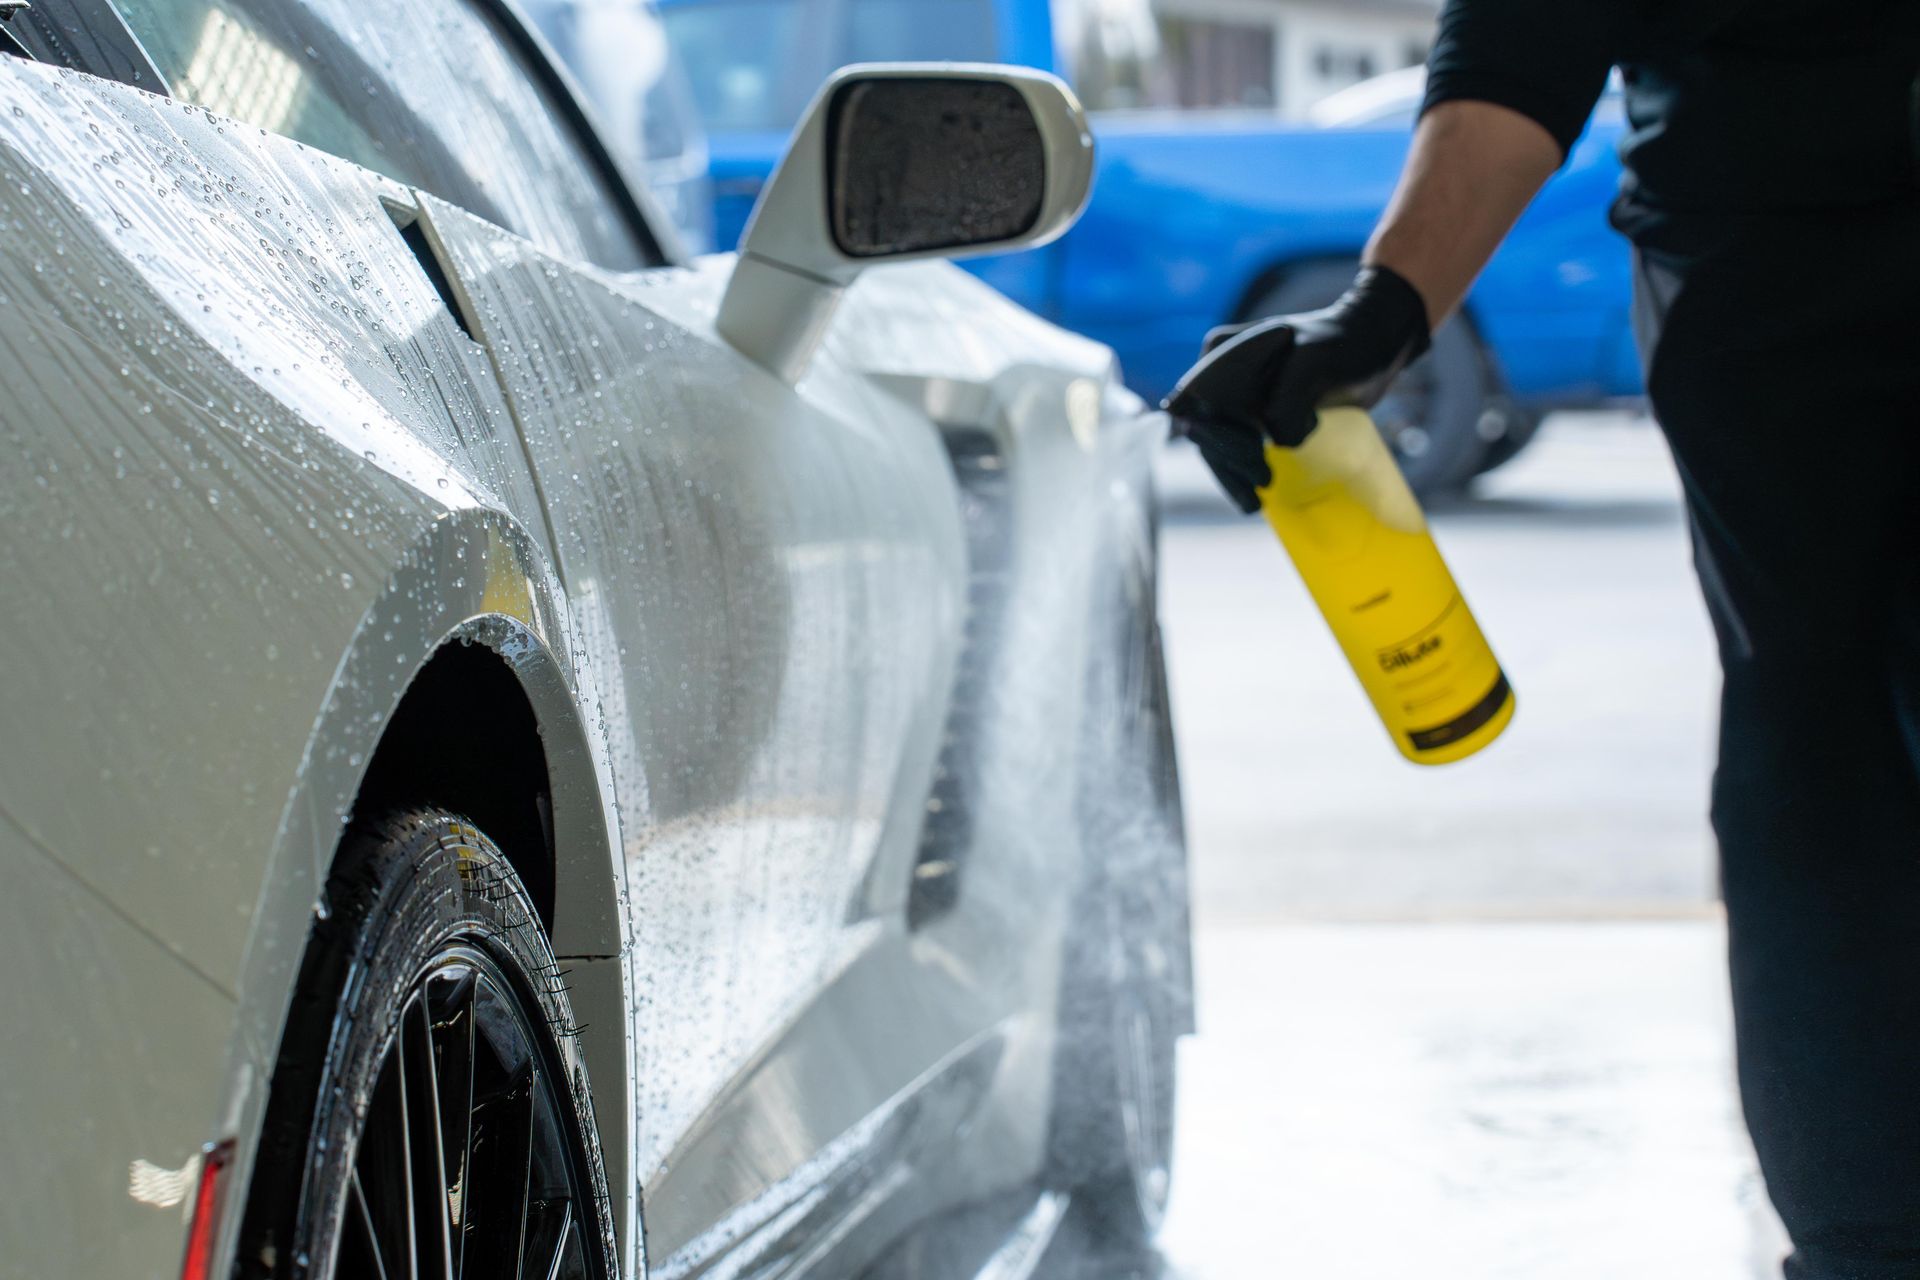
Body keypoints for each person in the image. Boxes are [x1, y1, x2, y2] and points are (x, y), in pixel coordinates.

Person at [1165, 5, 1920, 1277]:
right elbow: (1527, 38)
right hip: (1782, 297)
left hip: (1764, 261)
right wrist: (1385, 311)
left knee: (1821, 733)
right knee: (1823, 737)